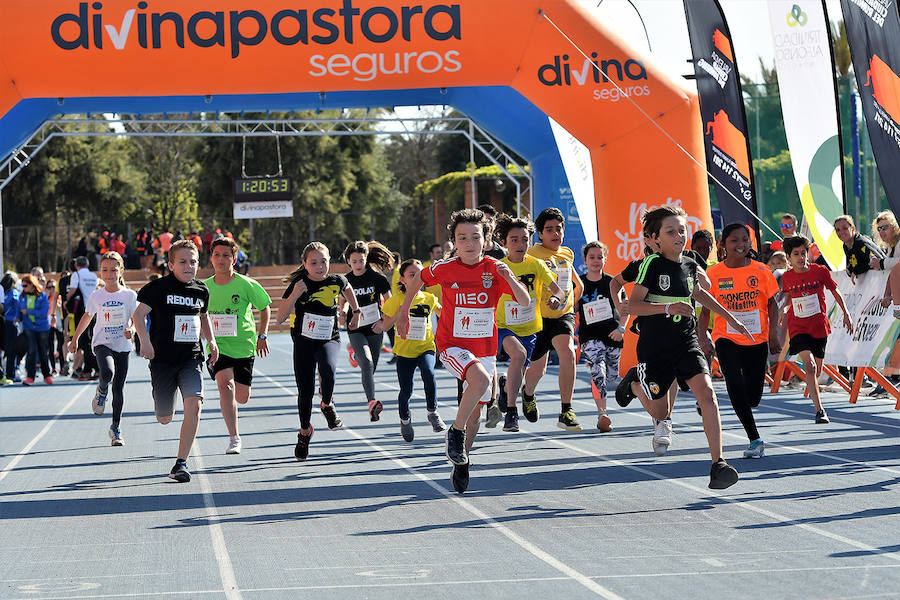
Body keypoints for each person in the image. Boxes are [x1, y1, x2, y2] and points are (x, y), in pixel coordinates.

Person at [615, 205, 754, 489]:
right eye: (671, 231)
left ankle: (718, 464)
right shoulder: (651, 265)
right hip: (655, 347)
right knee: (659, 413)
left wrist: (732, 319)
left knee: (708, 393)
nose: (679, 235)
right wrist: (668, 306)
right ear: (655, 238)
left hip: (686, 342)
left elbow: (700, 295)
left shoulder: (690, 263)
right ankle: (633, 383)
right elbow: (634, 305)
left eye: (682, 230)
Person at [396, 208, 529, 494]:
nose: (469, 243)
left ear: (487, 239)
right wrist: (403, 312)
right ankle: (454, 433)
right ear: (454, 242)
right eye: (462, 238)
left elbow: (524, 299)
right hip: (452, 345)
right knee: (480, 381)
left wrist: (510, 277)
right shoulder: (446, 268)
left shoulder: (495, 268)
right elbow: (419, 277)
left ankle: (462, 459)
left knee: (476, 416)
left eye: (475, 237)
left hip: (484, 347)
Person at [133, 239, 219, 482]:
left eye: (193, 262)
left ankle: (181, 463)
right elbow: (138, 315)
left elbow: (204, 317)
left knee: (195, 404)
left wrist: (212, 341)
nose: (188, 266)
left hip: (191, 358)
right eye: (182, 262)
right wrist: (145, 342)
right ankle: (162, 406)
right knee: (164, 417)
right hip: (163, 361)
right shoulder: (158, 288)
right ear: (171, 264)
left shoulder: (201, 290)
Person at [698, 224, 781, 458]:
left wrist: (773, 334)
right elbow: (705, 309)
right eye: (734, 240)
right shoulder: (713, 274)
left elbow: (773, 304)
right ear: (723, 244)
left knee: (753, 397)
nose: (741, 245)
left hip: (756, 338)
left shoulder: (762, 270)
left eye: (745, 240)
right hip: (726, 338)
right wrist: (703, 334)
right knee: (734, 383)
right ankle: (755, 439)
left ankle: (745, 406)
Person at [277, 242, 361, 461]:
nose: (320, 266)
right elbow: (280, 318)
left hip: (328, 338)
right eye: (313, 262)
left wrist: (356, 311)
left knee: (328, 369)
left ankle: (327, 404)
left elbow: (348, 289)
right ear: (305, 264)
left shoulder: (337, 280)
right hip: (304, 341)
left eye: (323, 261)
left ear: (329, 261)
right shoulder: (300, 283)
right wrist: (295, 294)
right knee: (305, 393)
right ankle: (305, 432)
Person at [493, 214, 562, 433]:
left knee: (522, 369)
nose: (521, 244)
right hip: (504, 326)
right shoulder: (498, 268)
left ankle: (506, 387)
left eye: (525, 239)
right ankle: (512, 413)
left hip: (530, 327)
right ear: (503, 243)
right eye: (514, 240)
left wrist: (555, 299)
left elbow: (559, 290)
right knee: (519, 355)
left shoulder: (537, 264)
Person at [204, 237, 272, 455]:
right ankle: (234, 437)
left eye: (226, 255)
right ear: (211, 259)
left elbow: (265, 307)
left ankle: (233, 407)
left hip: (244, 346)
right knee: (226, 385)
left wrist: (262, 335)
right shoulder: (204, 288)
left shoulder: (246, 284)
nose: (221, 259)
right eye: (217, 255)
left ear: (234, 259)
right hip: (217, 346)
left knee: (242, 397)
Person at [522, 207, 585, 430]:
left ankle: (566, 409)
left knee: (568, 353)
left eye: (559, 229)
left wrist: (572, 303)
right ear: (540, 234)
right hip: (538, 318)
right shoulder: (531, 254)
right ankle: (527, 394)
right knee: (538, 370)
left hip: (562, 316)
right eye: (549, 230)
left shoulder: (566, 253)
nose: (555, 234)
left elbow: (578, 283)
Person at [780, 235, 853, 423]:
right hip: (798, 327)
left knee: (817, 370)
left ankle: (813, 392)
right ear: (789, 257)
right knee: (810, 366)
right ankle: (819, 410)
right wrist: (784, 310)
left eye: (803, 253)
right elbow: (788, 297)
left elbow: (835, 291)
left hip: (819, 327)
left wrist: (846, 313)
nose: (800, 257)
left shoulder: (820, 271)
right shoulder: (787, 277)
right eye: (796, 254)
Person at [69, 252, 137, 446]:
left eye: (113, 270)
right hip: (102, 343)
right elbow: (87, 317)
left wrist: (131, 330)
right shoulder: (96, 295)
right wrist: (75, 339)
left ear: (121, 271)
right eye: (105, 270)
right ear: (100, 272)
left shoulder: (129, 295)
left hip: (122, 345)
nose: (109, 274)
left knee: (119, 388)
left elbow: (137, 318)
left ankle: (116, 429)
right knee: (107, 372)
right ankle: (101, 390)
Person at [380, 259, 446, 441]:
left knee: (428, 371)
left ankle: (432, 412)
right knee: (406, 390)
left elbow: (445, 315)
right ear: (402, 279)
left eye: (420, 274)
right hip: (404, 352)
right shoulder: (395, 301)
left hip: (426, 347)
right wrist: (399, 314)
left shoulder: (430, 298)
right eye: (412, 275)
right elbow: (384, 326)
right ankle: (405, 419)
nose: (418, 278)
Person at [577, 241, 627, 432]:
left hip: (612, 336)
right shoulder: (579, 284)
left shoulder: (612, 283)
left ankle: (626, 383)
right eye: (592, 257)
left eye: (600, 257)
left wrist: (621, 329)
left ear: (605, 259)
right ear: (585, 260)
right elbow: (572, 309)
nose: (596, 261)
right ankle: (602, 414)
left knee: (612, 376)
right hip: (589, 337)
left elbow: (626, 307)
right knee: (597, 371)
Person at [341, 241, 394, 422]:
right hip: (355, 327)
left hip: (374, 327)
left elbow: (390, 302)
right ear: (348, 261)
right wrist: (342, 313)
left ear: (366, 259)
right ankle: (371, 402)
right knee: (367, 362)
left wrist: (383, 322)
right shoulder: (346, 280)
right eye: (354, 261)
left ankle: (354, 355)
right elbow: (343, 301)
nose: (358, 265)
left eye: (361, 260)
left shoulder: (378, 279)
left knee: (371, 367)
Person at [67, 256, 99, 380]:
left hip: (82, 311)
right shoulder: (94, 276)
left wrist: (67, 302)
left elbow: (73, 290)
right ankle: (93, 368)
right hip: (94, 310)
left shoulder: (76, 275)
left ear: (76, 266)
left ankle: (90, 369)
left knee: (84, 341)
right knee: (92, 339)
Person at [18, 274, 52, 385]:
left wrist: (28, 312)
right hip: (29, 328)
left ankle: (47, 375)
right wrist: (17, 317)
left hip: (42, 328)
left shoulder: (42, 296)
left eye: (25, 285)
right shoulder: (22, 296)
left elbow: (43, 314)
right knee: (31, 352)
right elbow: (19, 310)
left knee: (43, 352)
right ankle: (30, 377)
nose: (23, 288)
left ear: (32, 285)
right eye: (22, 285)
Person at [835, 214, 883, 280]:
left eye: (845, 228)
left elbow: (874, 262)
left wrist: (856, 271)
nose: (841, 232)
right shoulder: (845, 246)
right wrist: (849, 270)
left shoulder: (860, 242)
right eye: (838, 230)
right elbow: (854, 263)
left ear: (852, 228)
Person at [0, 272, 20, 385]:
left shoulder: (3, 293)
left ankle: (5, 373)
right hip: (12, 323)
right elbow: (17, 306)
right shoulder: (14, 292)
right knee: (12, 349)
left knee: (5, 349)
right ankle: (10, 374)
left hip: (3, 322)